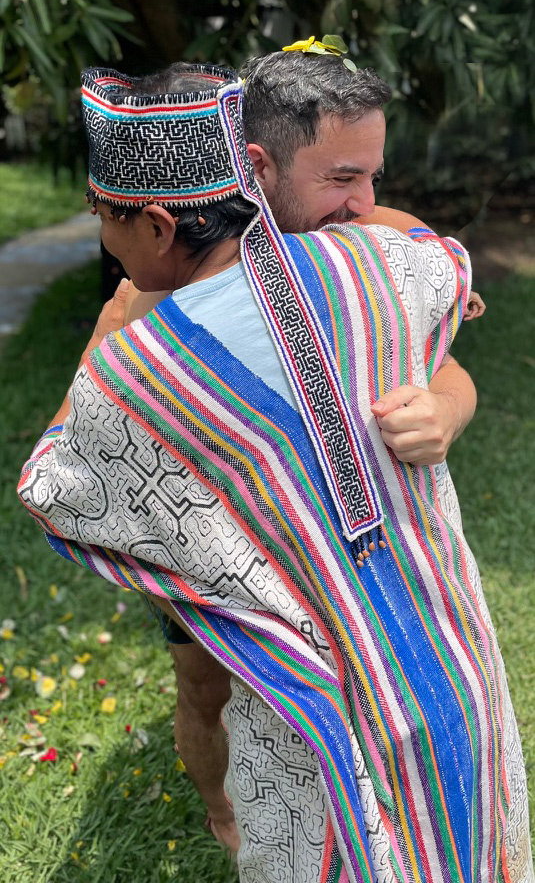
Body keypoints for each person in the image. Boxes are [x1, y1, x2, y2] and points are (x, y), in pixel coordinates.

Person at [18, 60, 532, 883]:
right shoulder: (378, 271)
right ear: (249, 173)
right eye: (342, 177)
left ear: (154, 225)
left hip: (305, 720)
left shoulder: (133, 372)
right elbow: (441, 258)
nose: (101, 239)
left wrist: (107, 331)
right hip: (450, 671)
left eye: (101, 219)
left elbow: (53, 483)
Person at [123, 47, 484, 851]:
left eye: (372, 178)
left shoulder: (376, 240)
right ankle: (227, 811)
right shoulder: (171, 264)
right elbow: (102, 410)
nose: (363, 204)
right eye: (340, 179)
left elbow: (448, 367)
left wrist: (443, 413)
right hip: (223, 558)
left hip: (349, 563)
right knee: (203, 688)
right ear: (257, 167)